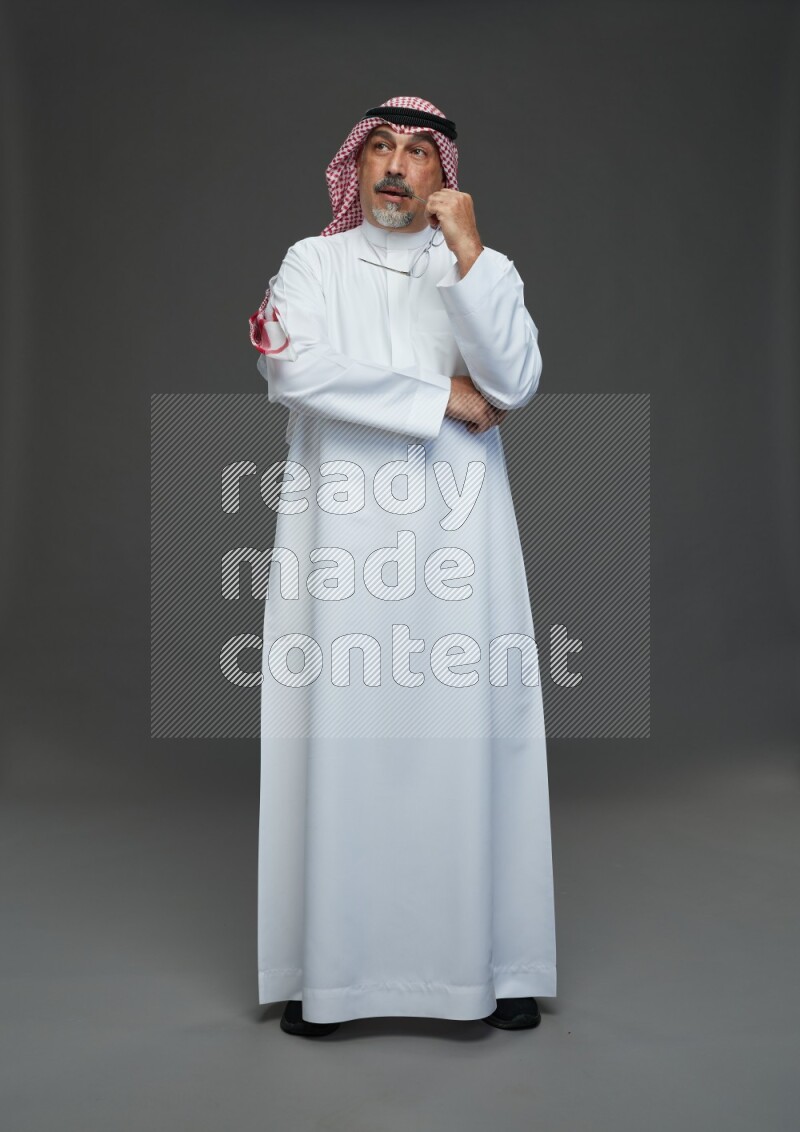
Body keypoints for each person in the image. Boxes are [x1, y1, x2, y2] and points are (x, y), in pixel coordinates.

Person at [248, 96, 556, 1038]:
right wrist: (439, 397)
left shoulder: (471, 270)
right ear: (357, 165)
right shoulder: (314, 261)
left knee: (474, 735)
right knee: (340, 738)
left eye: (416, 153)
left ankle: (496, 967)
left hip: (457, 540)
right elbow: (295, 372)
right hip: (340, 547)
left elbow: (515, 382)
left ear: (442, 175)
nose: (393, 166)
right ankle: (329, 978)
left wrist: (472, 256)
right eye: (378, 147)